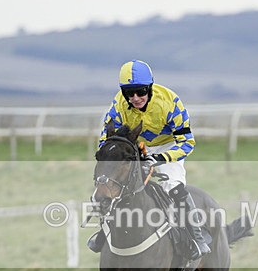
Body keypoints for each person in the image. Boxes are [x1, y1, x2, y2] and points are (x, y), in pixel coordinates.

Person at [88, 59, 211, 259]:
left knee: (175, 187)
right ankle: (104, 233)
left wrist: (160, 158)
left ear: (150, 88)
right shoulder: (118, 105)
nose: (135, 98)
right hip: (136, 147)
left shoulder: (170, 103)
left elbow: (187, 143)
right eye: (129, 93)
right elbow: (105, 139)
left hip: (169, 146)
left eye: (141, 91)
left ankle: (196, 238)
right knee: (115, 185)